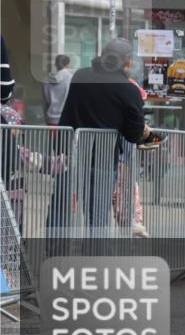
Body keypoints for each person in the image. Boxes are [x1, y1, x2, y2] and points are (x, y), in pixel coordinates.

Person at [50, 39, 159, 233]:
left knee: (62, 213)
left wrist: (60, 148)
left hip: (72, 155)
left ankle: (55, 249)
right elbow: (133, 133)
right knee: (97, 221)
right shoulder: (128, 89)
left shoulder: (81, 76)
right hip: (103, 161)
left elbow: (69, 113)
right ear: (127, 62)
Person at [42, 55, 74, 126]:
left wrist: (46, 117)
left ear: (55, 64)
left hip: (51, 118)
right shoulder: (71, 78)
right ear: (67, 64)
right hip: (66, 117)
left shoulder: (46, 79)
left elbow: (45, 101)